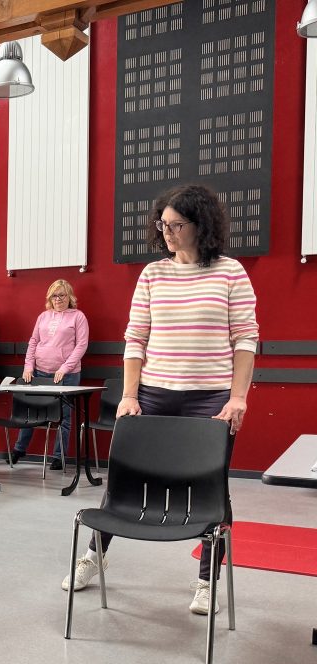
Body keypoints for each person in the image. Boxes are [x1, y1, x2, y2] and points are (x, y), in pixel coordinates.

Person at [63, 184, 259, 617]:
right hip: (153, 394)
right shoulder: (153, 274)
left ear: (200, 226)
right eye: (162, 224)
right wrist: (129, 395)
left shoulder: (231, 273)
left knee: (212, 487)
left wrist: (238, 398)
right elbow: (136, 339)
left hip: (210, 400)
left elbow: (245, 338)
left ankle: (208, 580)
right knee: (126, 480)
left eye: (176, 225)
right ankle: (95, 555)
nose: (166, 231)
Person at [9, 279, 89, 470]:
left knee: (65, 417)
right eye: (55, 295)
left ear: (69, 296)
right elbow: (33, 341)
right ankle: (20, 449)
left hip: (66, 375)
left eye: (62, 295)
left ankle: (58, 457)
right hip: (39, 372)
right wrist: (28, 366)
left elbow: (81, 345)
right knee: (31, 411)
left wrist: (64, 369)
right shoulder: (43, 317)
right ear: (50, 298)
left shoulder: (78, 317)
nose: (58, 299)